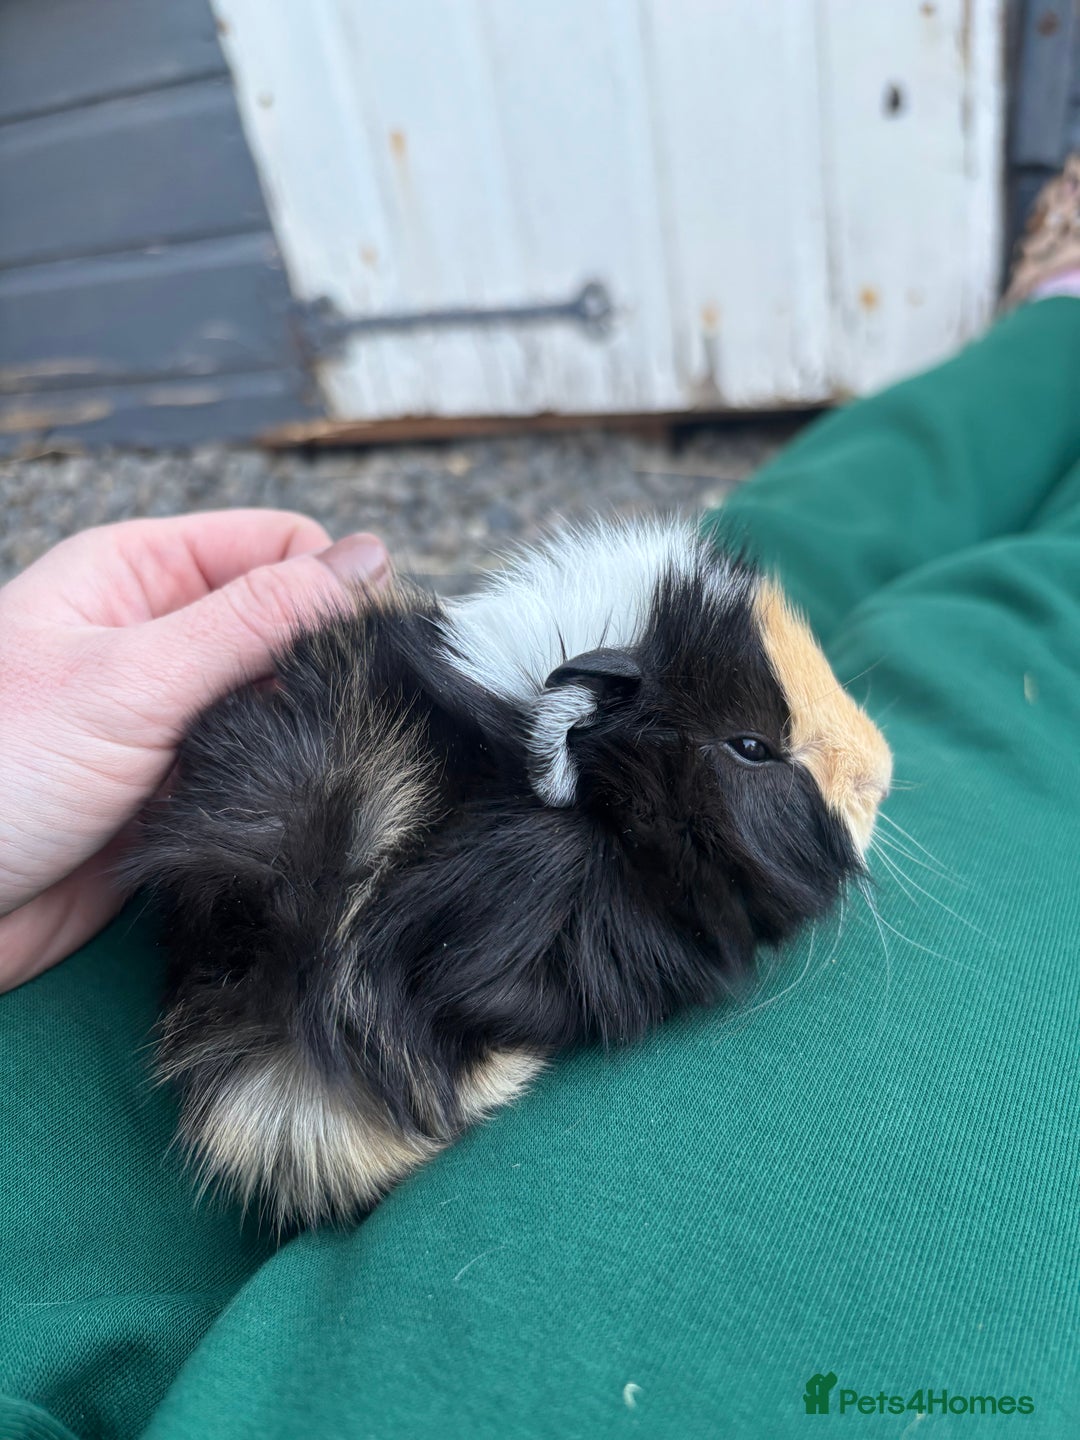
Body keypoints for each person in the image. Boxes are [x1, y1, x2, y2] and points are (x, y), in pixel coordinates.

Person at [1, 159, 1078, 1439]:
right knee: (992, 637)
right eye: (753, 752)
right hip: (326, 1130)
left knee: (813, 551)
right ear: (579, 742)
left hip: (87, 988)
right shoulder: (539, 890)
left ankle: (1048, 338)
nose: (866, 762)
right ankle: (1053, 336)